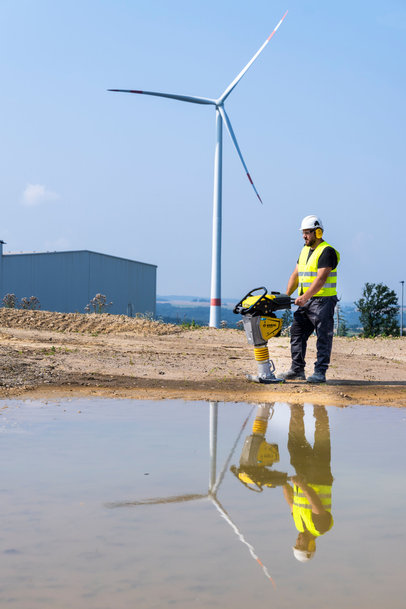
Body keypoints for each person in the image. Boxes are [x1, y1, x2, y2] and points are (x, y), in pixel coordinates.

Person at [280, 215, 340, 383]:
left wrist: (305, 297)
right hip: (307, 302)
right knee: (297, 333)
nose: (304, 236)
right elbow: (296, 274)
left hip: (323, 302)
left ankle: (320, 372)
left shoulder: (327, 251)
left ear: (318, 232)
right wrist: (286, 295)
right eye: (303, 233)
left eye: (307, 233)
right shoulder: (305, 250)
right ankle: (297, 370)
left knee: (323, 337)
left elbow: (321, 279)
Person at [282, 404, 334, 562]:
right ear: (311, 547)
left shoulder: (299, 525)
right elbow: (316, 504)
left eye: (296, 544)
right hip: (319, 476)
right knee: (321, 441)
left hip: (304, 476)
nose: (297, 541)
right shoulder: (320, 528)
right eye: (300, 545)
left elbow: (291, 502)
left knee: (294, 445)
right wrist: (302, 485)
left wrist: (281, 482)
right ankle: (319, 408)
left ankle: (296, 407)